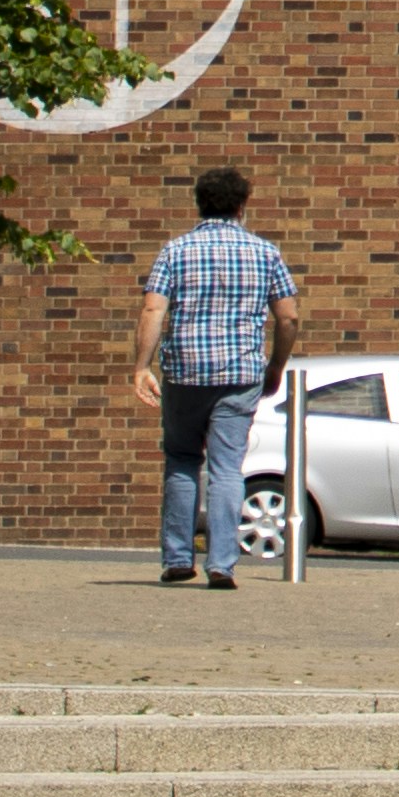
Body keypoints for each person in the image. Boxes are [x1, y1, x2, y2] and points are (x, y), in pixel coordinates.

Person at [133, 164, 297, 588]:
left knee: (183, 460)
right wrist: (276, 365)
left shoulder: (175, 250)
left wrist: (141, 365)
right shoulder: (266, 253)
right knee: (227, 469)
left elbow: (154, 309)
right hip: (240, 373)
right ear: (242, 206)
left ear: (199, 203)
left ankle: (177, 558)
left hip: (185, 372)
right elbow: (288, 317)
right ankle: (222, 563)